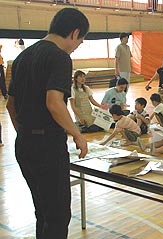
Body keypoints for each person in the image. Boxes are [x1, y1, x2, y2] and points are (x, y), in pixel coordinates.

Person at [6, 8, 89, 239]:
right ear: (74, 33)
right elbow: (54, 102)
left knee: (43, 212)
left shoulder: (23, 57)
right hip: (48, 148)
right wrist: (77, 134)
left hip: (24, 145)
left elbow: (10, 105)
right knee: (58, 216)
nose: (76, 46)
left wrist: (26, 134)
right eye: (79, 41)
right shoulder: (60, 57)